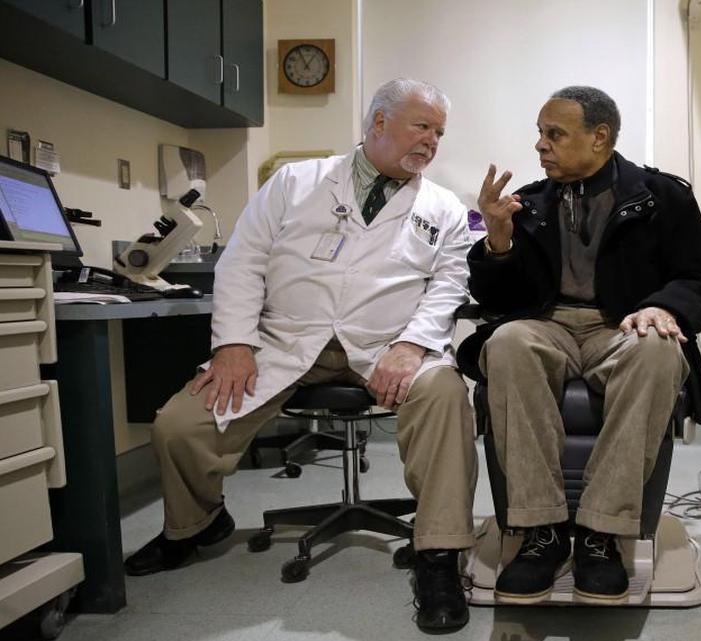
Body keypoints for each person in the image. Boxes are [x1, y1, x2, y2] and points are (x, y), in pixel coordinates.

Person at [123, 78, 477, 632]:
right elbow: (243, 262)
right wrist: (234, 344)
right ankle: (195, 524)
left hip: (386, 346)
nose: (432, 141)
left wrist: (412, 345)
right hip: (288, 343)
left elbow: (449, 283)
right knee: (178, 424)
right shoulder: (297, 181)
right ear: (378, 123)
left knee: (446, 394)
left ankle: (438, 554)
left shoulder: (444, 208)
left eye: (439, 133)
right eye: (422, 126)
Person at [466, 86, 701, 604]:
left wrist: (665, 308)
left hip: (623, 326)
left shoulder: (662, 197)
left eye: (554, 134)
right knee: (509, 341)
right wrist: (498, 239)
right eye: (540, 134)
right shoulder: (532, 204)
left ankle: (602, 532)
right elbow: (500, 299)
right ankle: (540, 532)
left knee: (657, 347)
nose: (541, 145)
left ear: (600, 137)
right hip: (548, 326)